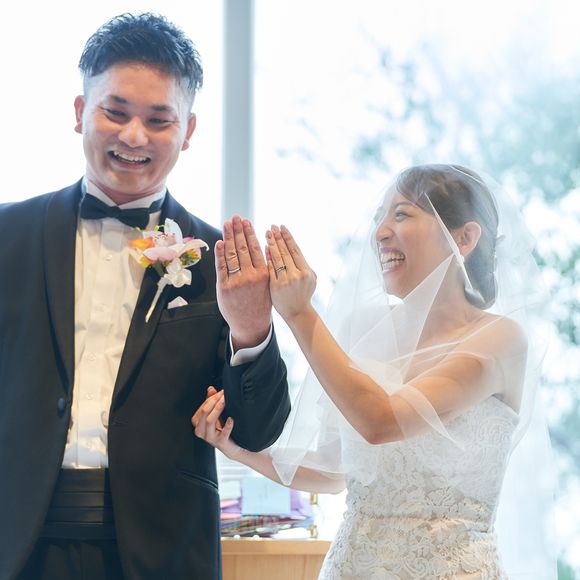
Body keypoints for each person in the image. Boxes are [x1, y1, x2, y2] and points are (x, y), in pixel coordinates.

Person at [0, 12, 290, 580]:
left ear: (188, 130)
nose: (134, 136)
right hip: (15, 544)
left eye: (159, 120)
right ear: (80, 111)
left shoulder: (221, 261)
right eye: (115, 112)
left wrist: (252, 330)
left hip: (162, 551)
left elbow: (258, 433)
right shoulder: (8, 237)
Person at [194, 164, 556, 578]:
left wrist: (299, 313)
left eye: (401, 214)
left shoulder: (500, 340)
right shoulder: (362, 328)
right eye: (379, 219)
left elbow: (381, 421)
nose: (380, 233)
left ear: (464, 238)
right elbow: (333, 471)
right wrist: (236, 449)